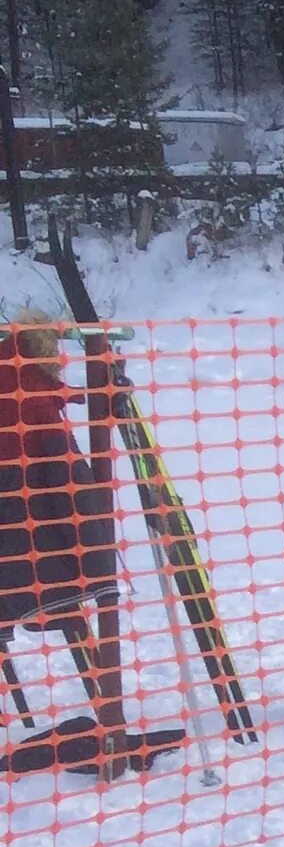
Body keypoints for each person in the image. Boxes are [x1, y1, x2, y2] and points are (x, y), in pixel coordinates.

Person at [0, 315, 145, 778]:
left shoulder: (19, 378)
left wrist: (93, 392)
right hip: (35, 520)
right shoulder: (28, 383)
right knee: (64, 592)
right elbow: (60, 465)